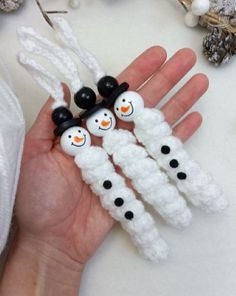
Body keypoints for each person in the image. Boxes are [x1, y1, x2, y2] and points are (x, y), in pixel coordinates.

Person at [0, 46, 208, 295]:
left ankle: (195, 199)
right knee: (136, 210)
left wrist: (44, 248)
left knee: (169, 176)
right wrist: (45, 244)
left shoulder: (131, 131)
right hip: (107, 184)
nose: (101, 123)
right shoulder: (92, 157)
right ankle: (155, 235)